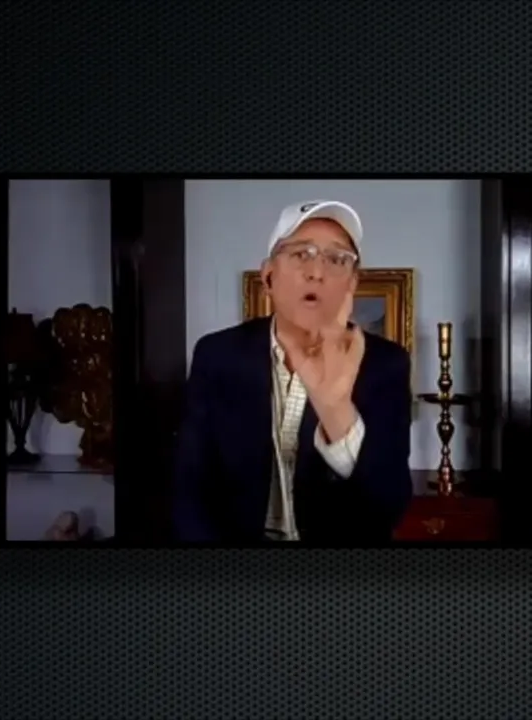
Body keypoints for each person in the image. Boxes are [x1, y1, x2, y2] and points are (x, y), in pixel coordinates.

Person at [173, 200, 412, 542]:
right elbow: (190, 488)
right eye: (301, 254)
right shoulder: (217, 355)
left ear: (352, 283)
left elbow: (388, 508)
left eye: (337, 259)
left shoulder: (386, 365)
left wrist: (336, 412)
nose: (317, 272)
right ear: (268, 276)